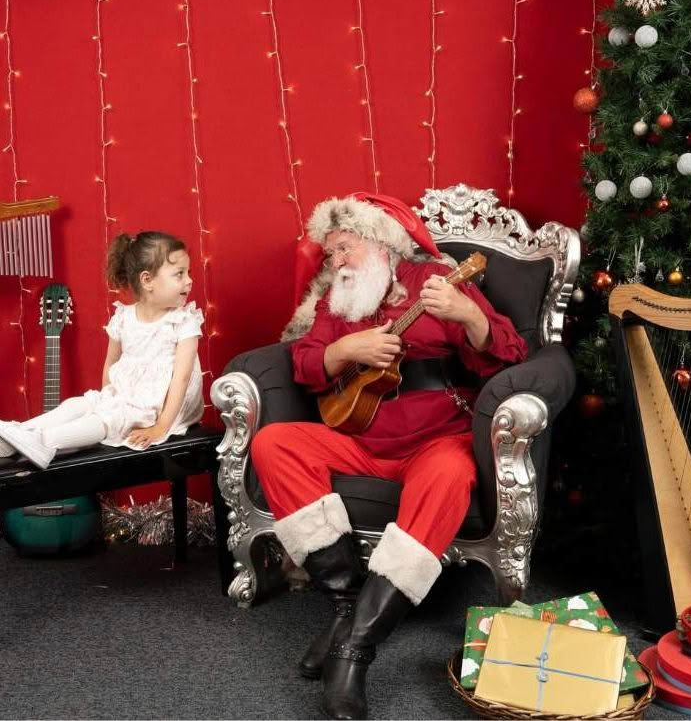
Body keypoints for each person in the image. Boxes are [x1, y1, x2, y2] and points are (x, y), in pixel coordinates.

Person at [250, 193, 528, 720]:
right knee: (273, 442)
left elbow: (510, 353)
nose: (335, 263)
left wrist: (469, 314)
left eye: (343, 248)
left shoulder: (439, 285)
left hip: (433, 440)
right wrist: (345, 352)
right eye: (329, 254)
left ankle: (354, 648)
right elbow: (305, 360)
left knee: (450, 472)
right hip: (359, 440)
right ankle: (344, 602)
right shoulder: (338, 302)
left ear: (380, 242)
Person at [0, 231, 204, 470]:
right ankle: (17, 433)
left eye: (188, 272)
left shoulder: (183, 320)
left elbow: (181, 379)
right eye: (180, 274)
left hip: (163, 407)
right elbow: (110, 363)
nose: (189, 280)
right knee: (78, 405)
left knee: (108, 418)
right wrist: (107, 399)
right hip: (127, 395)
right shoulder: (125, 317)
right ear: (147, 280)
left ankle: (45, 441)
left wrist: (161, 426)